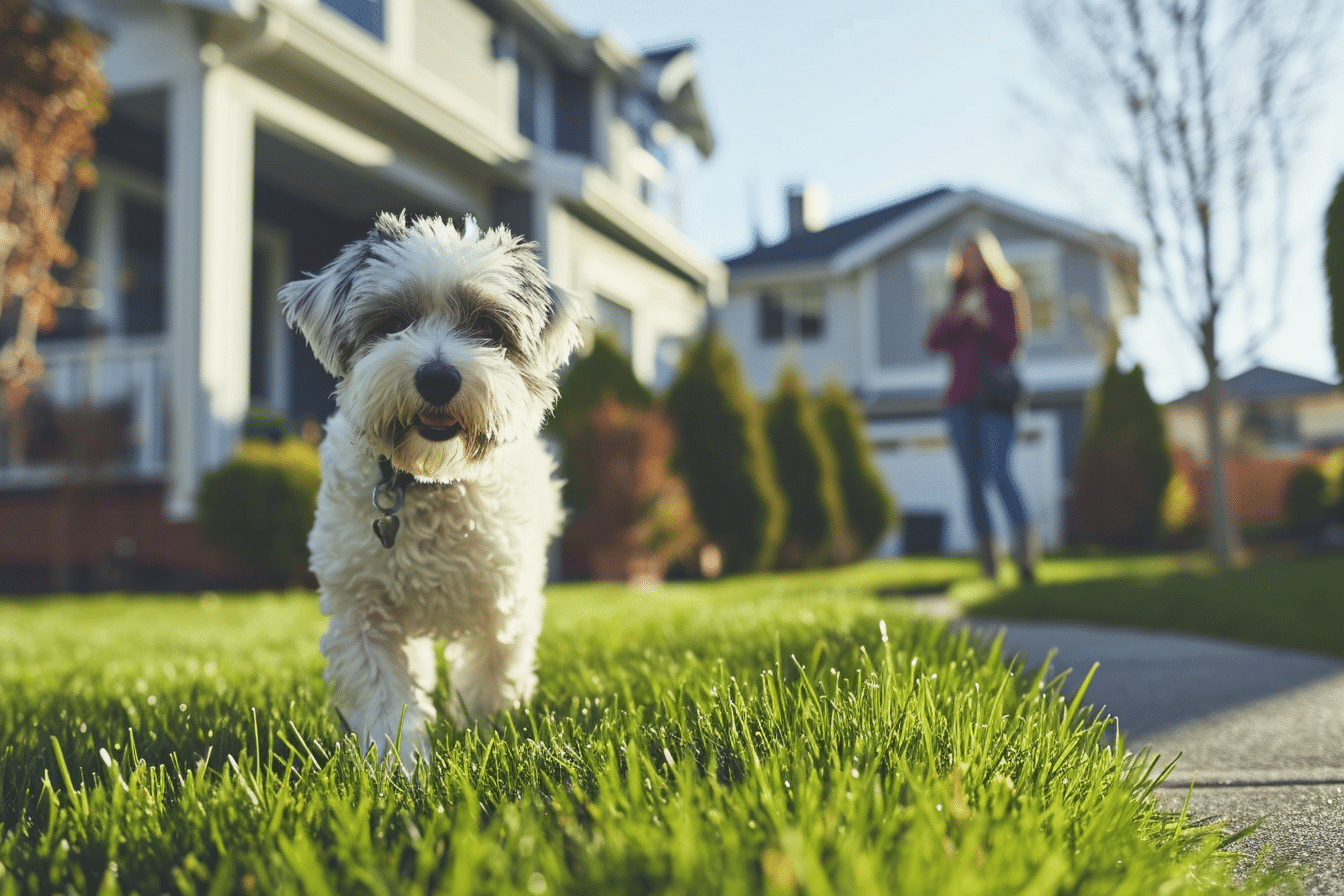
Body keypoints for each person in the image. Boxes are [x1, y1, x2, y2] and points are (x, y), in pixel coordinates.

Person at [925, 227, 1036, 584]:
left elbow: (1012, 345)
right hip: (960, 401)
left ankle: (1025, 558)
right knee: (972, 483)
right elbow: (933, 342)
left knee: (999, 471)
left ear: (988, 258)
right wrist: (957, 315)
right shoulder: (955, 300)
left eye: (976, 255)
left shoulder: (1003, 295)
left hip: (996, 400)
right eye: (964, 257)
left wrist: (985, 322)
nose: (970, 262)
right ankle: (989, 564)